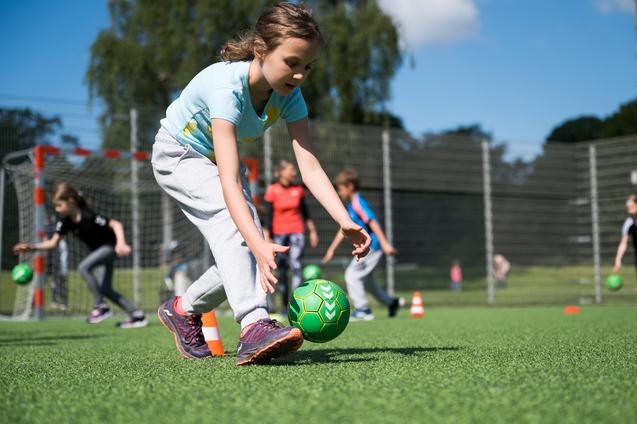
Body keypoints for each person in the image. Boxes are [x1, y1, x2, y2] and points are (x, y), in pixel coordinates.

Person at [151, 3, 371, 365]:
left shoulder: (290, 97)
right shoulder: (227, 87)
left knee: (241, 253)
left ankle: (182, 307)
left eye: (307, 66)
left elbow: (310, 166)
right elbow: (229, 179)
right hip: (178, 154)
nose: (299, 75)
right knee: (242, 231)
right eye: (291, 62)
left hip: (213, 162)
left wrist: (343, 219)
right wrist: (255, 239)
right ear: (261, 50)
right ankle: (254, 324)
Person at [13, 182, 147, 328]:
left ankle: (100, 306)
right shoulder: (65, 223)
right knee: (105, 289)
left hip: (110, 247)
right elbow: (53, 243)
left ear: (70, 201)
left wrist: (121, 243)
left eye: (59, 205)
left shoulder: (89, 216)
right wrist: (31, 247)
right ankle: (137, 315)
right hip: (99, 252)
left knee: (83, 267)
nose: (57, 210)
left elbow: (116, 224)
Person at [322, 169, 399, 321]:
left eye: (340, 188)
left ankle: (363, 310)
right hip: (370, 247)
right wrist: (331, 250)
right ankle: (392, 303)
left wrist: (385, 244)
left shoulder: (358, 203)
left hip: (372, 246)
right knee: (368, 282)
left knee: (351, 275)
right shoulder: (351, 206)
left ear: (350, 186)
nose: (339, 192)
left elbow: (373, 222)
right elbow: (344, 230)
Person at [263, 159, 319, 315]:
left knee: (296, 266)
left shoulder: (298, 189)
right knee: (280, 269)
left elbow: (305, 212)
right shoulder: (272, 190)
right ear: (281, 172)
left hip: (297, 232)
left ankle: (296, 303)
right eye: (290, 169)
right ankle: (279, 305)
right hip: (279, 234)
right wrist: (267, 235)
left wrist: (312, 231)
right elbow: (268, 216)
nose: (294, 172)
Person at [613, 194, 637, 277]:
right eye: (628, 207)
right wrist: (618, 259)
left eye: (631, 206)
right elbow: (623, 243)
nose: (629, 209)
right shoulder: (629, 223)